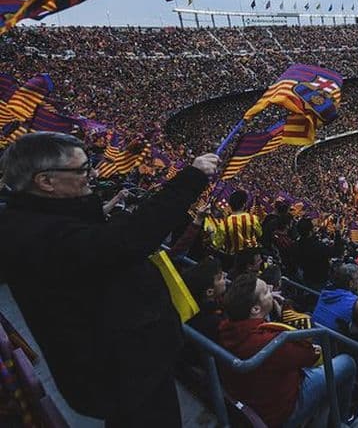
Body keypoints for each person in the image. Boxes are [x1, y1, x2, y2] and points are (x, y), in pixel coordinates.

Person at [0, 132, 219, 426]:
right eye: (81, 169)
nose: (93, 173)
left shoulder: (30, 220)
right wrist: (191, 177)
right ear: (46, 181)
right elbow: (128, 240)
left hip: (119, 368)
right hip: (125, 375)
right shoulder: (40, 236)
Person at [218, 273, 357, 427]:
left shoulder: (227, 327)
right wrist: (286, 313)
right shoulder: (270, 342)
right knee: (347, 362)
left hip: (257, 399)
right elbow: (310, 355)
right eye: (266, 292)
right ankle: (340, 421)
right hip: (283, 412)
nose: (271, 292)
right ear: (255, 309)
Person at [212, 189, 262, 264]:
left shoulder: (224, 224)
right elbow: (260, 233)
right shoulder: (252, 219)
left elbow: (216, 244)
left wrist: (211, 233)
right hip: (252, 259)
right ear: (244, 204)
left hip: (232, 261)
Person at [312, 262, 358, 333]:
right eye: (357, 279)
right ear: (350, 283)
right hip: (330, 341)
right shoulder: (355, 302)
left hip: (313, 335)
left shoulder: (325, 292)